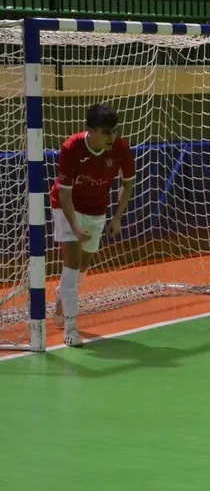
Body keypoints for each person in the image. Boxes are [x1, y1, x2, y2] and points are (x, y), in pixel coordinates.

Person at [51, 103, 135, 346]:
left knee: (83, 267)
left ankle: (61, 294)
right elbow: (65, 194)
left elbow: (127, 183)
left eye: (114, 131)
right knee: (72, 262)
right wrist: (75, 226)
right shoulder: (71, 147)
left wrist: (117, 217)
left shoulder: (120, 148)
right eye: (106, 132)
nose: (112, 137)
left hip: (97, 209)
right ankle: (71, 326)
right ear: (91, 130)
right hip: (67, 206)